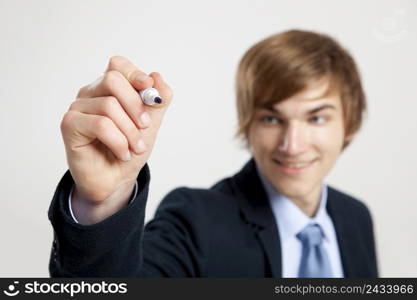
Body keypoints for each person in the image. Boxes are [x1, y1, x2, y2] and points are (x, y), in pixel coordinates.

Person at [48, 29, 378, 277]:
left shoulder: (355, 218)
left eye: (317, 117)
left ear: (350, 123)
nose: (292, 145)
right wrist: (101, 204)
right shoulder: (194, 221)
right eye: (271, 118)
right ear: (248, 123)